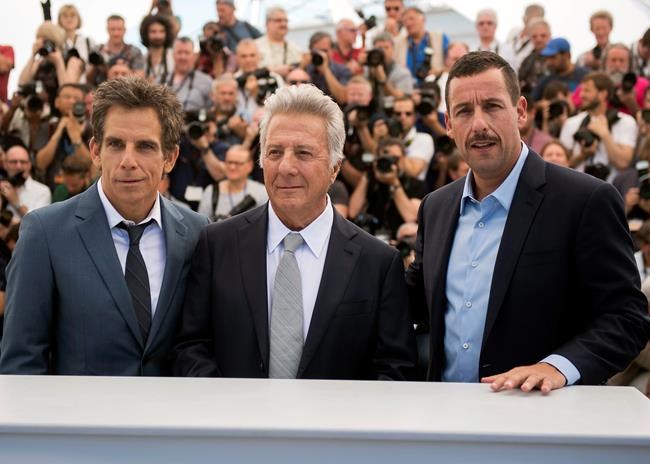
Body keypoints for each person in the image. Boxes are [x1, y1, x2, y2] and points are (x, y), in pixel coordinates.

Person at [406, 51, 650, 392]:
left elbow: (627, 318)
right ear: (448, 124)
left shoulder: (586, 200)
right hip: (445, 413)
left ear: (520, 111)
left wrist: (557, 367)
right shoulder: (436, 207)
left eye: (492, 106)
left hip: (543, 415)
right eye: (464, 111)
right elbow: (411, 302)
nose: (479, 124)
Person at [173, 84, 417, 380]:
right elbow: (192, 346)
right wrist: (231, 404)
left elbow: (393, 368)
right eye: (275, 152)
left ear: (335, 168)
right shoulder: (217, 244)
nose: (286, 167)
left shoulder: (378, 262)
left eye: (303, 153)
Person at [0, 77, 209, 375]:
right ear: (96, 151)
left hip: (173, 406)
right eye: (115, 144)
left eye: (145, 146)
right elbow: (21, 364)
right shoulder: (44, 233)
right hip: (78, 407)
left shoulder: (198, 233)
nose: (128, 161)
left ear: (170, 158)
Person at [197, 144, 267, 221]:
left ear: (249, 166)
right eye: (229, 162)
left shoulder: (261, 192)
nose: (232, 167)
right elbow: (201, 223)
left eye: (237, 163)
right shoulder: (211, 191)